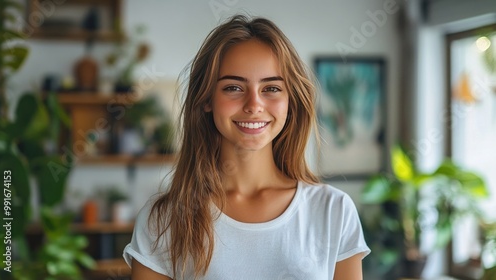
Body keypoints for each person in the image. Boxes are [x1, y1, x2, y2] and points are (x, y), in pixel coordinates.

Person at [123, 14, 370, 280]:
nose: (254, 105)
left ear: (291, 102)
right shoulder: (163, 221)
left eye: (271, 88)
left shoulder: (333, 210)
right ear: (207, 99)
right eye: (233, 87)